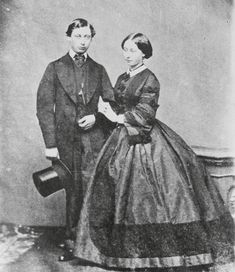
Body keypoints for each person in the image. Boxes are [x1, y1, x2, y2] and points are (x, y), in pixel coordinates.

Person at [73, 33, 235, 271]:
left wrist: (115, 116)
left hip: (145, 138)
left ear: (143, 53)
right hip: (121, 137)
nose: (127, 55)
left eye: (132, 50)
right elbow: (118, 105)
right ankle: (117, 250)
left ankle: (161, 256)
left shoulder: (150, 79)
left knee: (153, 195)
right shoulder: (122, 78)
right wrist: (104, 111)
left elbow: (145, 116)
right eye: (125, 50)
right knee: (112, 185)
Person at [36, 18, 115, 261]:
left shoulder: (98, 69)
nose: (82, 42)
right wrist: (50, 144)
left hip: (93, 141)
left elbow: (111, 104)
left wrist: (96, 118)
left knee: (94, 190)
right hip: (65, 141)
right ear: (68, 37)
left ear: (91, 39)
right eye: (78, 36)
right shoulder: (54, 67)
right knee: (73, 191)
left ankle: (94, 246)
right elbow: (43, 107)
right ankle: (72, 244)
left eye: (87, 37)